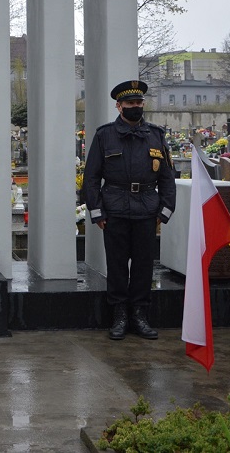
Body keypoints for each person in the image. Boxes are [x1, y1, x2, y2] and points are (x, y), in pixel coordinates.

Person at [83, 80, 175, 341]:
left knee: (144, 266)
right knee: (117, 265)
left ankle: (139, 315)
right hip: (115, 210)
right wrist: (97, 211)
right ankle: (120, 315)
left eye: (139, 102)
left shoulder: (156, 135)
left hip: (147, 210)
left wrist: (165, 210)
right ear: (119, 106)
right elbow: (91, 177)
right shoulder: (105, 135)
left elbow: (167, 177)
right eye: (130, 103)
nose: (136, 106)